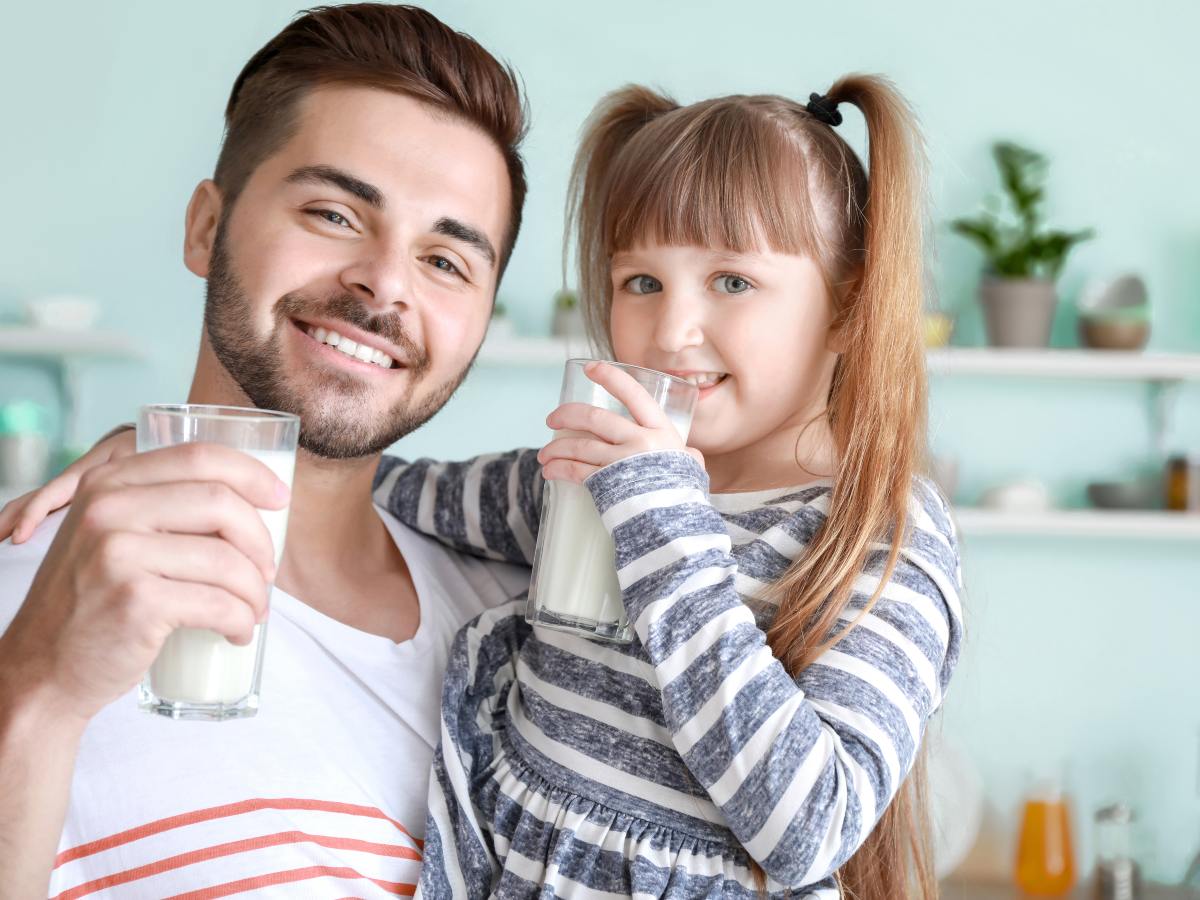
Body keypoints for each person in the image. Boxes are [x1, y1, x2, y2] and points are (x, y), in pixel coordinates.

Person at [9, 76, 966, 898]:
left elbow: (807, 830)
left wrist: (662, 524)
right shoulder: (583, 479)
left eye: (733, 283)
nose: (673, 332)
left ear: (846, 306)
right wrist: (169, 450)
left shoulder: (875, 543)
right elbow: (380, 483)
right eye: (639, 283)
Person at [0, 4, 531, 896]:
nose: (385, 283)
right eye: (333, 212)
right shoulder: (23, 598)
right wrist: (37, 695)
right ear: (207, 227)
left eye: (447, 261)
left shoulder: (523, 623)